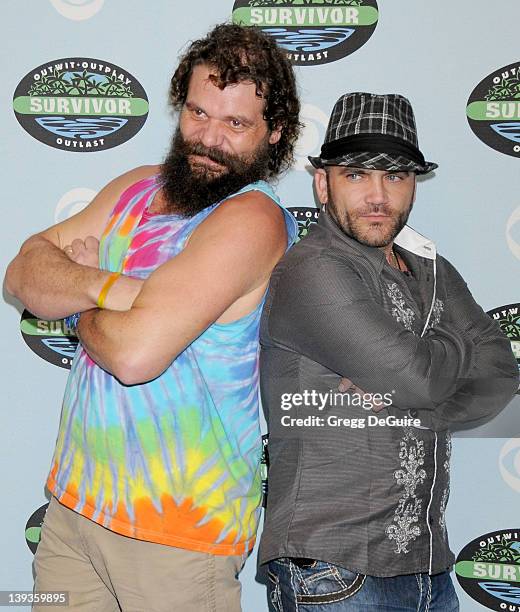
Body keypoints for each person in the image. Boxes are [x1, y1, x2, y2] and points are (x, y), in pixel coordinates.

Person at [5, 23, 301, 612]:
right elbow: (22, 273)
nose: (209, 138)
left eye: (236, 124)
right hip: (73, 512)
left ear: (275, 133)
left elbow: (134, 357)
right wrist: (118, 290)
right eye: (197, 112)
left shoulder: (252, 220)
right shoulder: (136, 187)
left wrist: (78, 300)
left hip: (177, 538)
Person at [258, 92, 519, 611]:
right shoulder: (314, 271)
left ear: (413, 186)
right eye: (356, 174)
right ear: (322, 184)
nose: (378, 195)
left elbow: (501, 370)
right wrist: (438, 362)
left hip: (427, 567)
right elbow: (417, 377)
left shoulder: (433, 270)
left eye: (395, 176)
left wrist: (416, 400)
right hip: (335, 572)